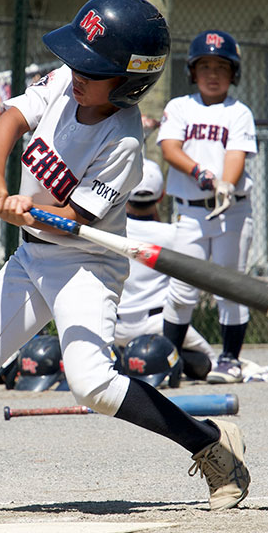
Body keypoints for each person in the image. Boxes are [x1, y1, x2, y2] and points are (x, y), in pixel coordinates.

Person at [0, 0, 249, 520]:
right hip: (30, 257)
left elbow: (72, 217)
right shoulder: (66, 82)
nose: (76, 71)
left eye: (93, 66)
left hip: (85, 265)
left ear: (129, 82)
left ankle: (210, 445)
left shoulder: (124, 143)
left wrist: (26, 207)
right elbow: (11, 119)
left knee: (91, 384)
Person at [157, 30, 258, 385]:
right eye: (205, 66)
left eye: (221, 66)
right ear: (192, 72)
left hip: (231, 210)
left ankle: (230, 360)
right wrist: (200, 172)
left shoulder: (239, 112)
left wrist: (226, 184)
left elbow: (236, 155)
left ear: (234, 73)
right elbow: (170, 148)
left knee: (230, 286)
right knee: (183, 286)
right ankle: (168, 360)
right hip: (191, 210)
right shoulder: (180, 107)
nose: (212, 74)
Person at [115, 157, 220, 381]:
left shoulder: (110, 231)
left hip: (116, 328)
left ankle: (128, 360)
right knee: (211, 363)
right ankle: (166, 361)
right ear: (161, 196)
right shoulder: (174, 235)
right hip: (159, 325)